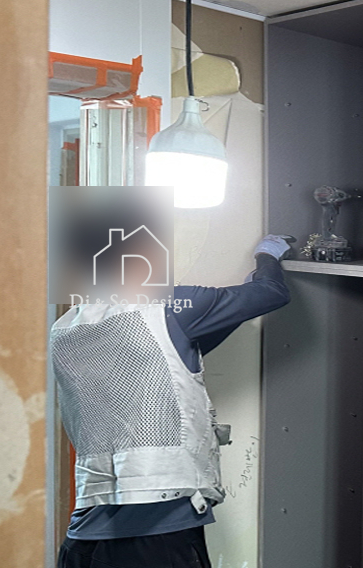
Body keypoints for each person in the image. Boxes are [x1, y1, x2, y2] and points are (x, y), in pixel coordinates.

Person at [51, 234, 294, 568]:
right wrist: (267, 255)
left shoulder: (65, 329)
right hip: (159, 534)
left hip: (83, 538)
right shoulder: (171, 307)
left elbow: (173, 354)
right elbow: (272, 293)